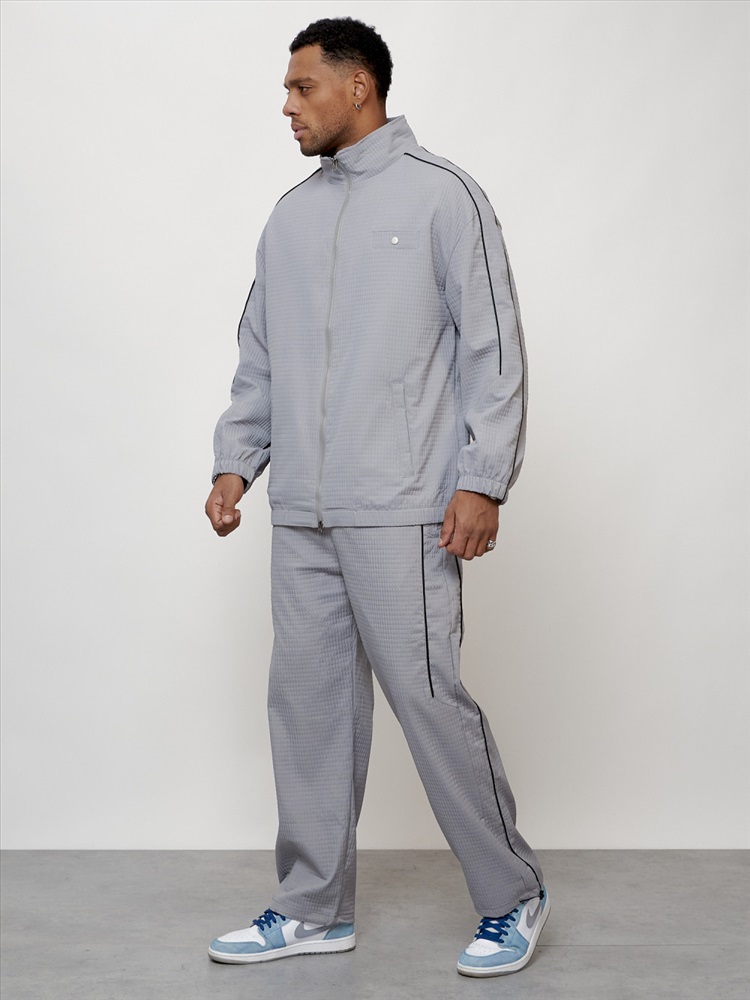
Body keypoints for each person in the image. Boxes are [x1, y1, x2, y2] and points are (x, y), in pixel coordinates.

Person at [204, 16, 549, 978]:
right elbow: (260, 356)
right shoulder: (290, 216)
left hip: (405, 509)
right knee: (309, 710)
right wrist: (237, 462)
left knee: (429, 702)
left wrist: (482, 479)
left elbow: (493, 349)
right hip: (304, 512)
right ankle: (314, 907)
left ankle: (513, 894)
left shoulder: (443, 196)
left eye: (301, 87)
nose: (287, 106)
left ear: (358, 86)